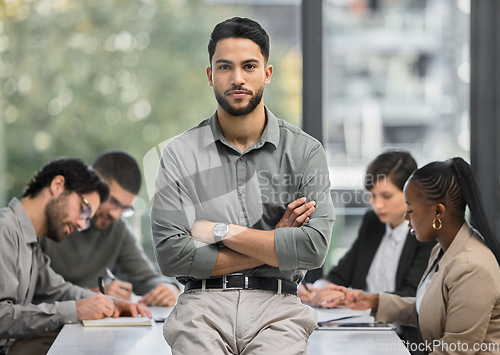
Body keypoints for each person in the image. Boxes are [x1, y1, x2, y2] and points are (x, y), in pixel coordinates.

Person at [151, 17, 335, 354]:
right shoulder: (180, 153)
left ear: (267, 73)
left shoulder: (305, 151)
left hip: (278, 309)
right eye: (225, 67)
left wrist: (219, 232)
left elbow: (313, 248)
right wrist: (275, 245)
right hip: (200, 307)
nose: (237, 78)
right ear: (210, 76)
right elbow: (170, 255)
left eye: (249, 66)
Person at [336, 157, 500, 354]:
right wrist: (375, 302)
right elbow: (433, 310)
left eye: (411, 210)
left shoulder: (471, 266)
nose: (406, 218)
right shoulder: (444, 249)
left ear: (438, 211)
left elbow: (455, 350)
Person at [0, 158, 150, 355]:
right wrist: (75, 311)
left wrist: (111, 302)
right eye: (84, 208)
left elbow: (59, 290)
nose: (81, 224)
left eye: (87, 219)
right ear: (57, 185)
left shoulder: (30, 243)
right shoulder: (5, 231)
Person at [298, 150, 435, 308]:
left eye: (386, 196)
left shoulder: (425, 232)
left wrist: (353, 297)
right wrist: (318, 290)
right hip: (362, 323)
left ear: (410, 193)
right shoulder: (373, 222)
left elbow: (412, 294)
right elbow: (339, 275)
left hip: (400, 329)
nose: (377, 205)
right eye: (372, 196)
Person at [42, 151, 180, 306]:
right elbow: (33, 293)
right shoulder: (52, 220)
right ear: (92, 183)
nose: (115, 214)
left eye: (124, 208)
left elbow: (145, 277)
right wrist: (95, 293)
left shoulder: (117, 228)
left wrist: (170, 288)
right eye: (113, 201)